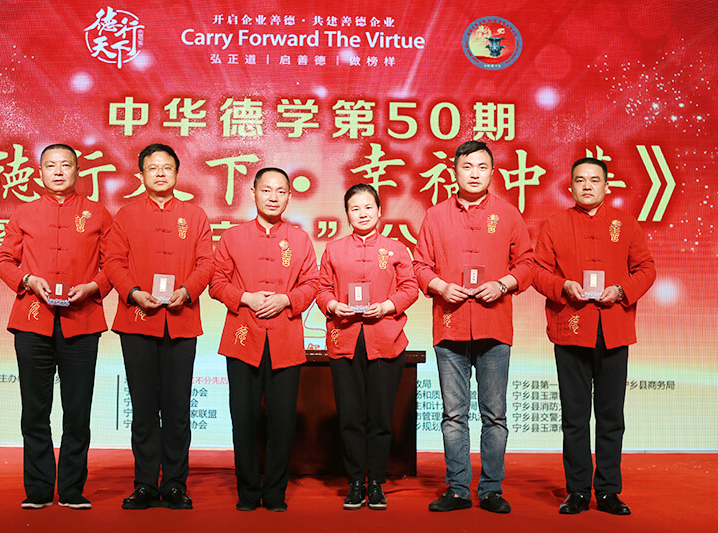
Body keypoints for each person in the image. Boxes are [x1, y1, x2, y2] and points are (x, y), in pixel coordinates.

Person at [413, 140, 534, 514]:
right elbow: (420, 266)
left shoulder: (508, 214)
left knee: (494, 415)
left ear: (493, 172)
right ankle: (457, 489)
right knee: (454, 415)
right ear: (454, 172)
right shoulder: (435, 216)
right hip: (449, 325)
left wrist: (503, 285)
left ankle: (492, 489)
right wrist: (440, 286)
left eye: (482, 167)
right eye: (467, 167)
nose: (474, 173)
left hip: (494, 324)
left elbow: (527, 264)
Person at [533, 157, 656, 516]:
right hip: (570, 327)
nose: (587, 185)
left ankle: (608, 491)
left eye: (594, 179)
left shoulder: (625, 224)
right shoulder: (554, 224)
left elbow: (646, 268)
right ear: (570, 186)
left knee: (610, 416)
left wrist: (621, 290)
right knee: (574, 416)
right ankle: (577, 491)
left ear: (607, 186)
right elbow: (538, 272)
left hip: (613, 329)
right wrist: (562, 285)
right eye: (580, 180)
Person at [0, 144, 112, 510]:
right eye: (51, 165)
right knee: (34, 410)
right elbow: (3, 260)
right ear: (40, 172)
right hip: (32, 320)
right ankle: (39, 488)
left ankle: (72, 489)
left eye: (65, 165)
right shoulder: (24, 213)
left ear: (78, 171)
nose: (58, 172)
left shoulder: (97, 213)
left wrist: (93, 287)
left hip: (82, 320)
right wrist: (27, 279)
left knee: (77, 410)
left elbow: (114, 264)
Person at [104, 144, 213, 510]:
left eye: (167, 167)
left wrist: (188, 290)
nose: (161, 173)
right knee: (144, 408)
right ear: (141, 175)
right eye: (153, 168)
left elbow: (206, 263)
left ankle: (176, 484)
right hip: (138, 320)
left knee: (178, 407)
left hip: (181, 320)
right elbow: (113, 262)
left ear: (177, 174)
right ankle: (146, 484)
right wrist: (134, 293)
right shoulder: (126, 215)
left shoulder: (195, 215)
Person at [209, 167, 318, 512]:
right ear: (253, 193)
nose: (273, 197)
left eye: (281, 191)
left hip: (285, 337)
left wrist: (287, 299)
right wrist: (245, 297)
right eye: (267, 190)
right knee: (243, 418)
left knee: (282, 421)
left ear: (289, 197)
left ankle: (274, 492)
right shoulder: (232, 237)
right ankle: (247, 491)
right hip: (243, 336)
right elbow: (216, 282)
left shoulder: (300, 239)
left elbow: (312, 284)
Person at [316, 183, 418, 510]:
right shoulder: (334, 250)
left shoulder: (396, 248)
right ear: (347, 214)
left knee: (380, 418)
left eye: (368, 207)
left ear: (380, 211)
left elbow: (410, 288)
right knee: (350, 416)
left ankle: (376, 483)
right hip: (344, 340)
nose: (362, 213)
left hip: (386, 340)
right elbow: (322, 289)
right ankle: (355, 483)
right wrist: (333, 306)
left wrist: (387, 306)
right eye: (355, 208)